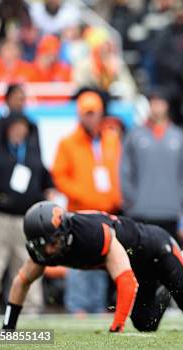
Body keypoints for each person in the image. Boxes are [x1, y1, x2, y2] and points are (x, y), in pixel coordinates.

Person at [1, 201, 183, 332]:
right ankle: (163, 292)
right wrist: (8, 328)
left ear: (61, 233)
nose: (44, 250)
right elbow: (22, 281)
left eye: (47, 242)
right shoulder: (49, 248)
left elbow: (126, 280)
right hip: (138, 267)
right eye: (40, 243)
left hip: (158, 251)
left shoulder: (92, 233)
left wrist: (116, 328)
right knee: (145, 324)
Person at [50, 91, 122, 314]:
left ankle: (97, 305)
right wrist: (81, 193)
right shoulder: (68, 143)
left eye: (94, 113)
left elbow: (120, 169)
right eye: (87, 114)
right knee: (79, 259)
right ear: (80, 115)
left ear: (101, 113)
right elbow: (59, 175)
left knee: (102, 258)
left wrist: (117, 196)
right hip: (80, 211)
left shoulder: (111, 139)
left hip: (105, 211)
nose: (91, 118)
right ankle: (78, 306)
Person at [0, 113, 53, 315]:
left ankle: (30, 309)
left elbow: (46, 181)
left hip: (27, 220)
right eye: (15, 126)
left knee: (28, 265)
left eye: (23, 127)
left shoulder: (32, 153)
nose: (19, 131)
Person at [121, 89, 183, 242]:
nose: (157, 107)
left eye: (160, 102)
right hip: (140, 211)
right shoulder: (134, 135)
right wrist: (132, 200)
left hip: (170, 212)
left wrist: (179, 201)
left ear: (167, 105)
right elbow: (125, 171)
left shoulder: (179, 136)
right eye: (153, 102)